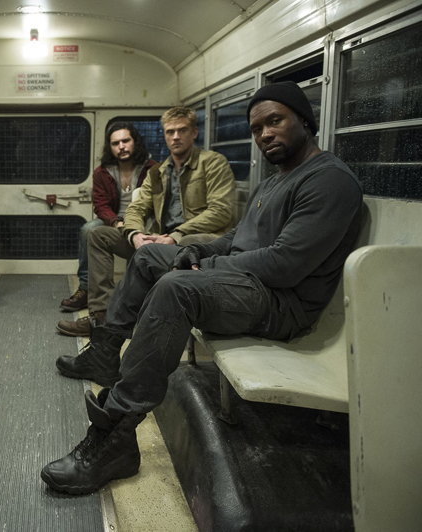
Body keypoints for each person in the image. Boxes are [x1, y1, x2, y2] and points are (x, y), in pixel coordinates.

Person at [41, 82, 363, 494]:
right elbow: (237, 238)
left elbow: (285, 265)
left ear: (305, 120)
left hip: (282, 303)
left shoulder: (328, 181)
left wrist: (202, 264)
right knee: (148, 257)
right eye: (257, 128)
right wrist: (199, 251)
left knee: (177, 287)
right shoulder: (274, 181)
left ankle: (115, 434)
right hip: (246, 283)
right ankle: (106, 353)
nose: (265, 134)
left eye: (275, 121)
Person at [56, 107, 236, 337]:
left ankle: (154, 318)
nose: (175, 137)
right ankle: (100, 316)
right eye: (170, 132)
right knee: (97, 234)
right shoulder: (158, 172)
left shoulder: (213, 163)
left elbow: (221, 211)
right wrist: (134, 233)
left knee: (186, 244)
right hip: (160, 239)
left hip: (198, 239)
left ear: (194, 133)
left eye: (182, 130)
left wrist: (176, 235)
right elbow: (137, 207)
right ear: (164, 135)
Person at [58, 122, 157, 314]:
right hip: (114, 219)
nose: (121, 146)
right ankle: (87, 289)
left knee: (143, 237)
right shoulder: (102, 172)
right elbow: (100, 205)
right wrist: (116, 222)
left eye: (126, 141)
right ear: (110, 147)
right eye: (115, 143)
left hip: (144, 220)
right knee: (88, 229)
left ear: (135, 142)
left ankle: (134, 294)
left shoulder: (152, 169)